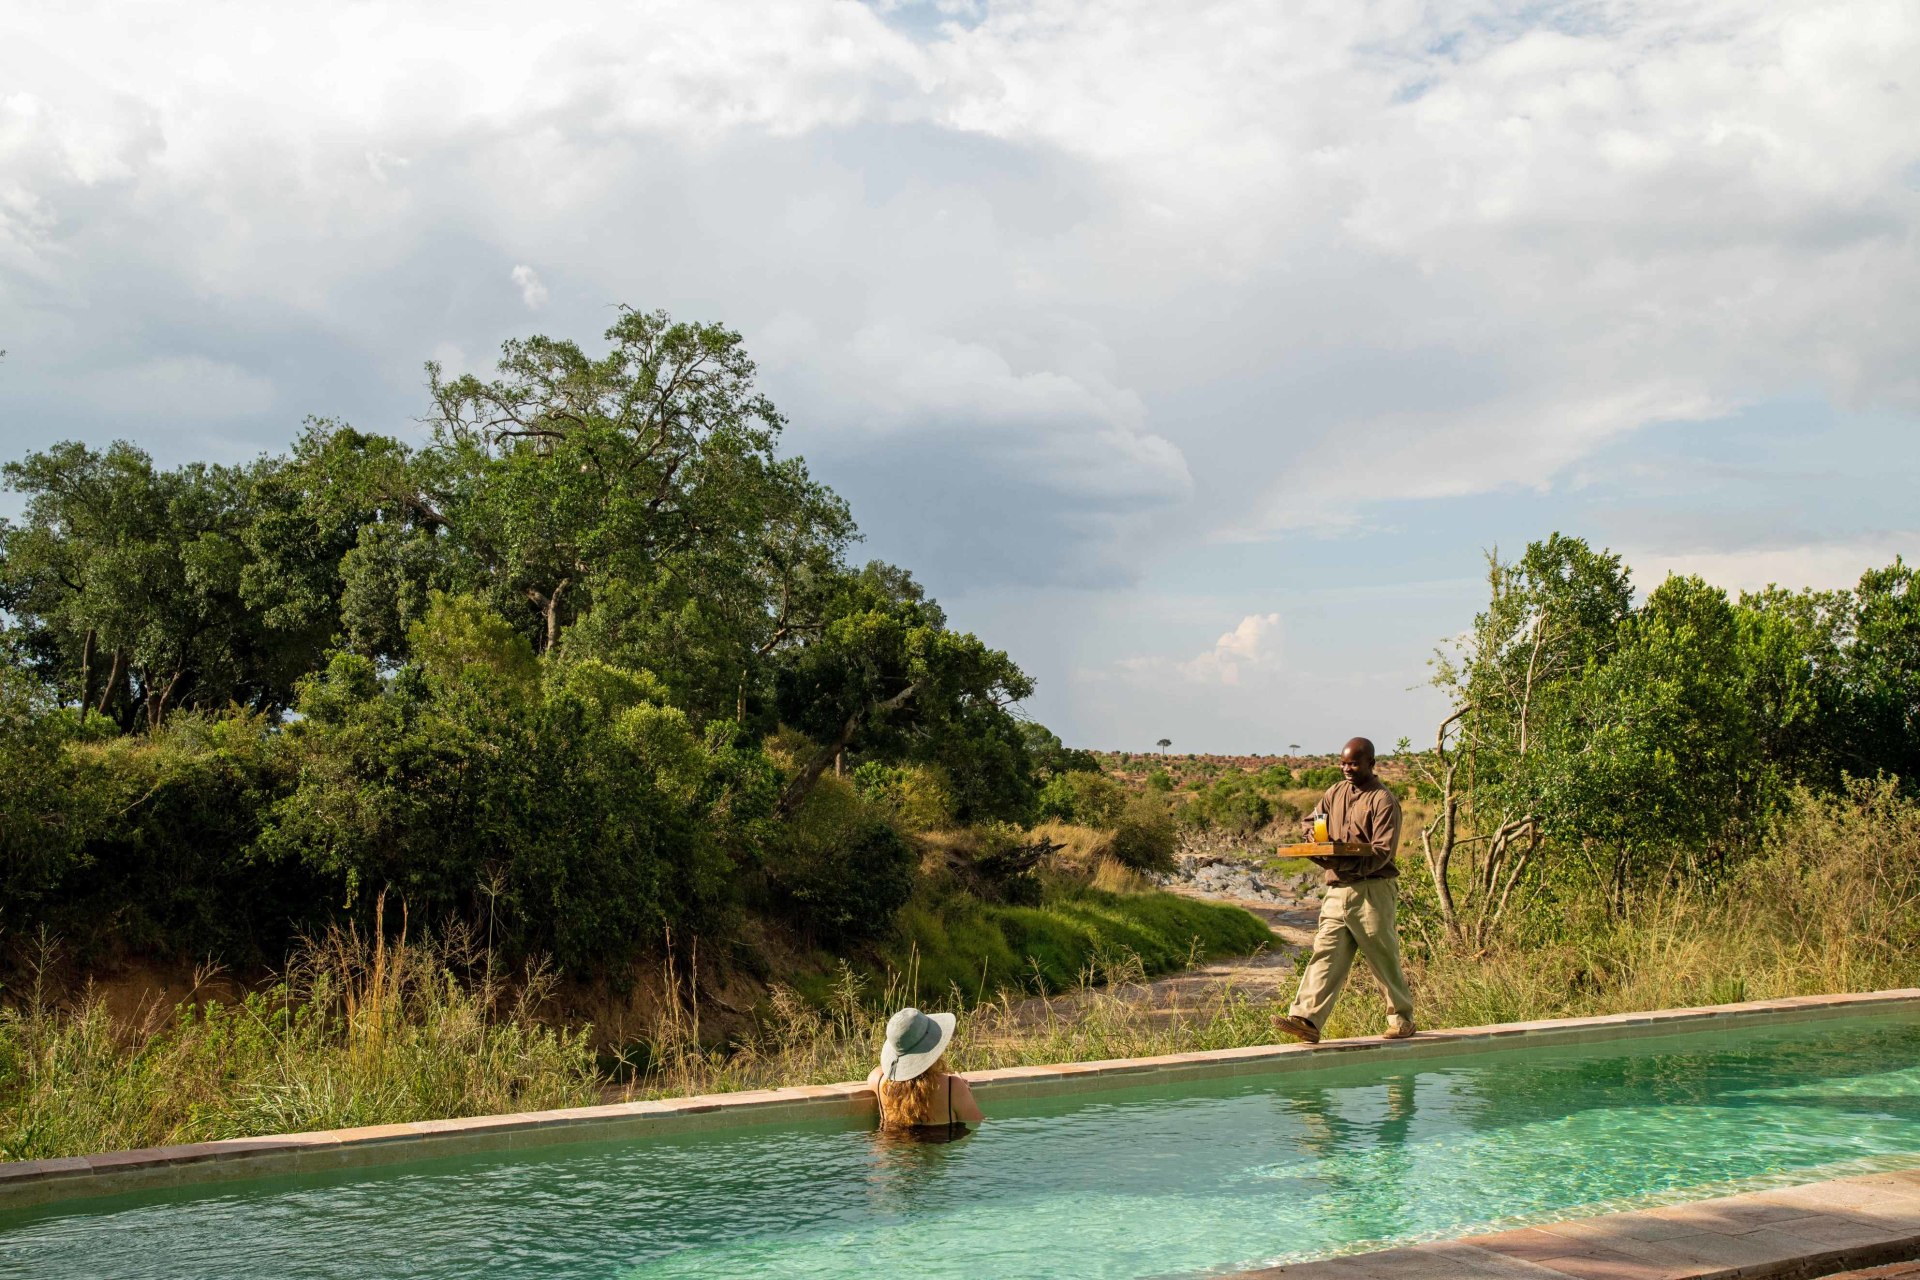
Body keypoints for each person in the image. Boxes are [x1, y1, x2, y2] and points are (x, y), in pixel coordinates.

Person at [1271, 737, 1416, 1044]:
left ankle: (1401, 1020)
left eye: (1353, 763)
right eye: (1343, 763)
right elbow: (1311, 821)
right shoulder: (1334, 792)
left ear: (1371, 764)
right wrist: (1312, 834)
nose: (1347, 769)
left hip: (1371, 891)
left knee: (1382, 955)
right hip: (1337, 889)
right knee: (1326, 952)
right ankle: (1307, 1019)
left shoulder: (1383, 800)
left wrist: (1342, 865)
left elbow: (1382, 852)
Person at [865, 1006, 985, 1131]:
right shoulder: (952, 1087)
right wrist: (964, 1090)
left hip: (893, 1146)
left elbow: (886, 1071)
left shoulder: (877, 1079)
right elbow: (977, 1124)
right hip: (938, 1148)